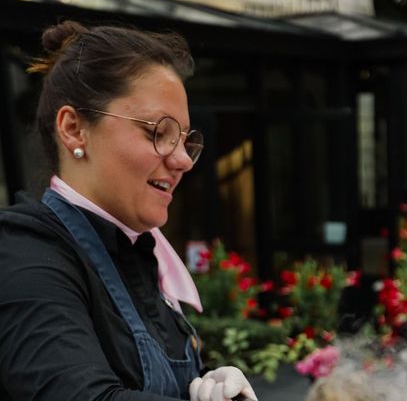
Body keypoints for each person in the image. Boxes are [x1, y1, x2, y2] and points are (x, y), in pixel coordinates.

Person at [0, 21, 258, 401]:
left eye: (186, 140)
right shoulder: (24, 254)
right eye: (159, 132)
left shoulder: (138, 254)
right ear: (73, 129)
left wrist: (212, 387)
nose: (184, 161)